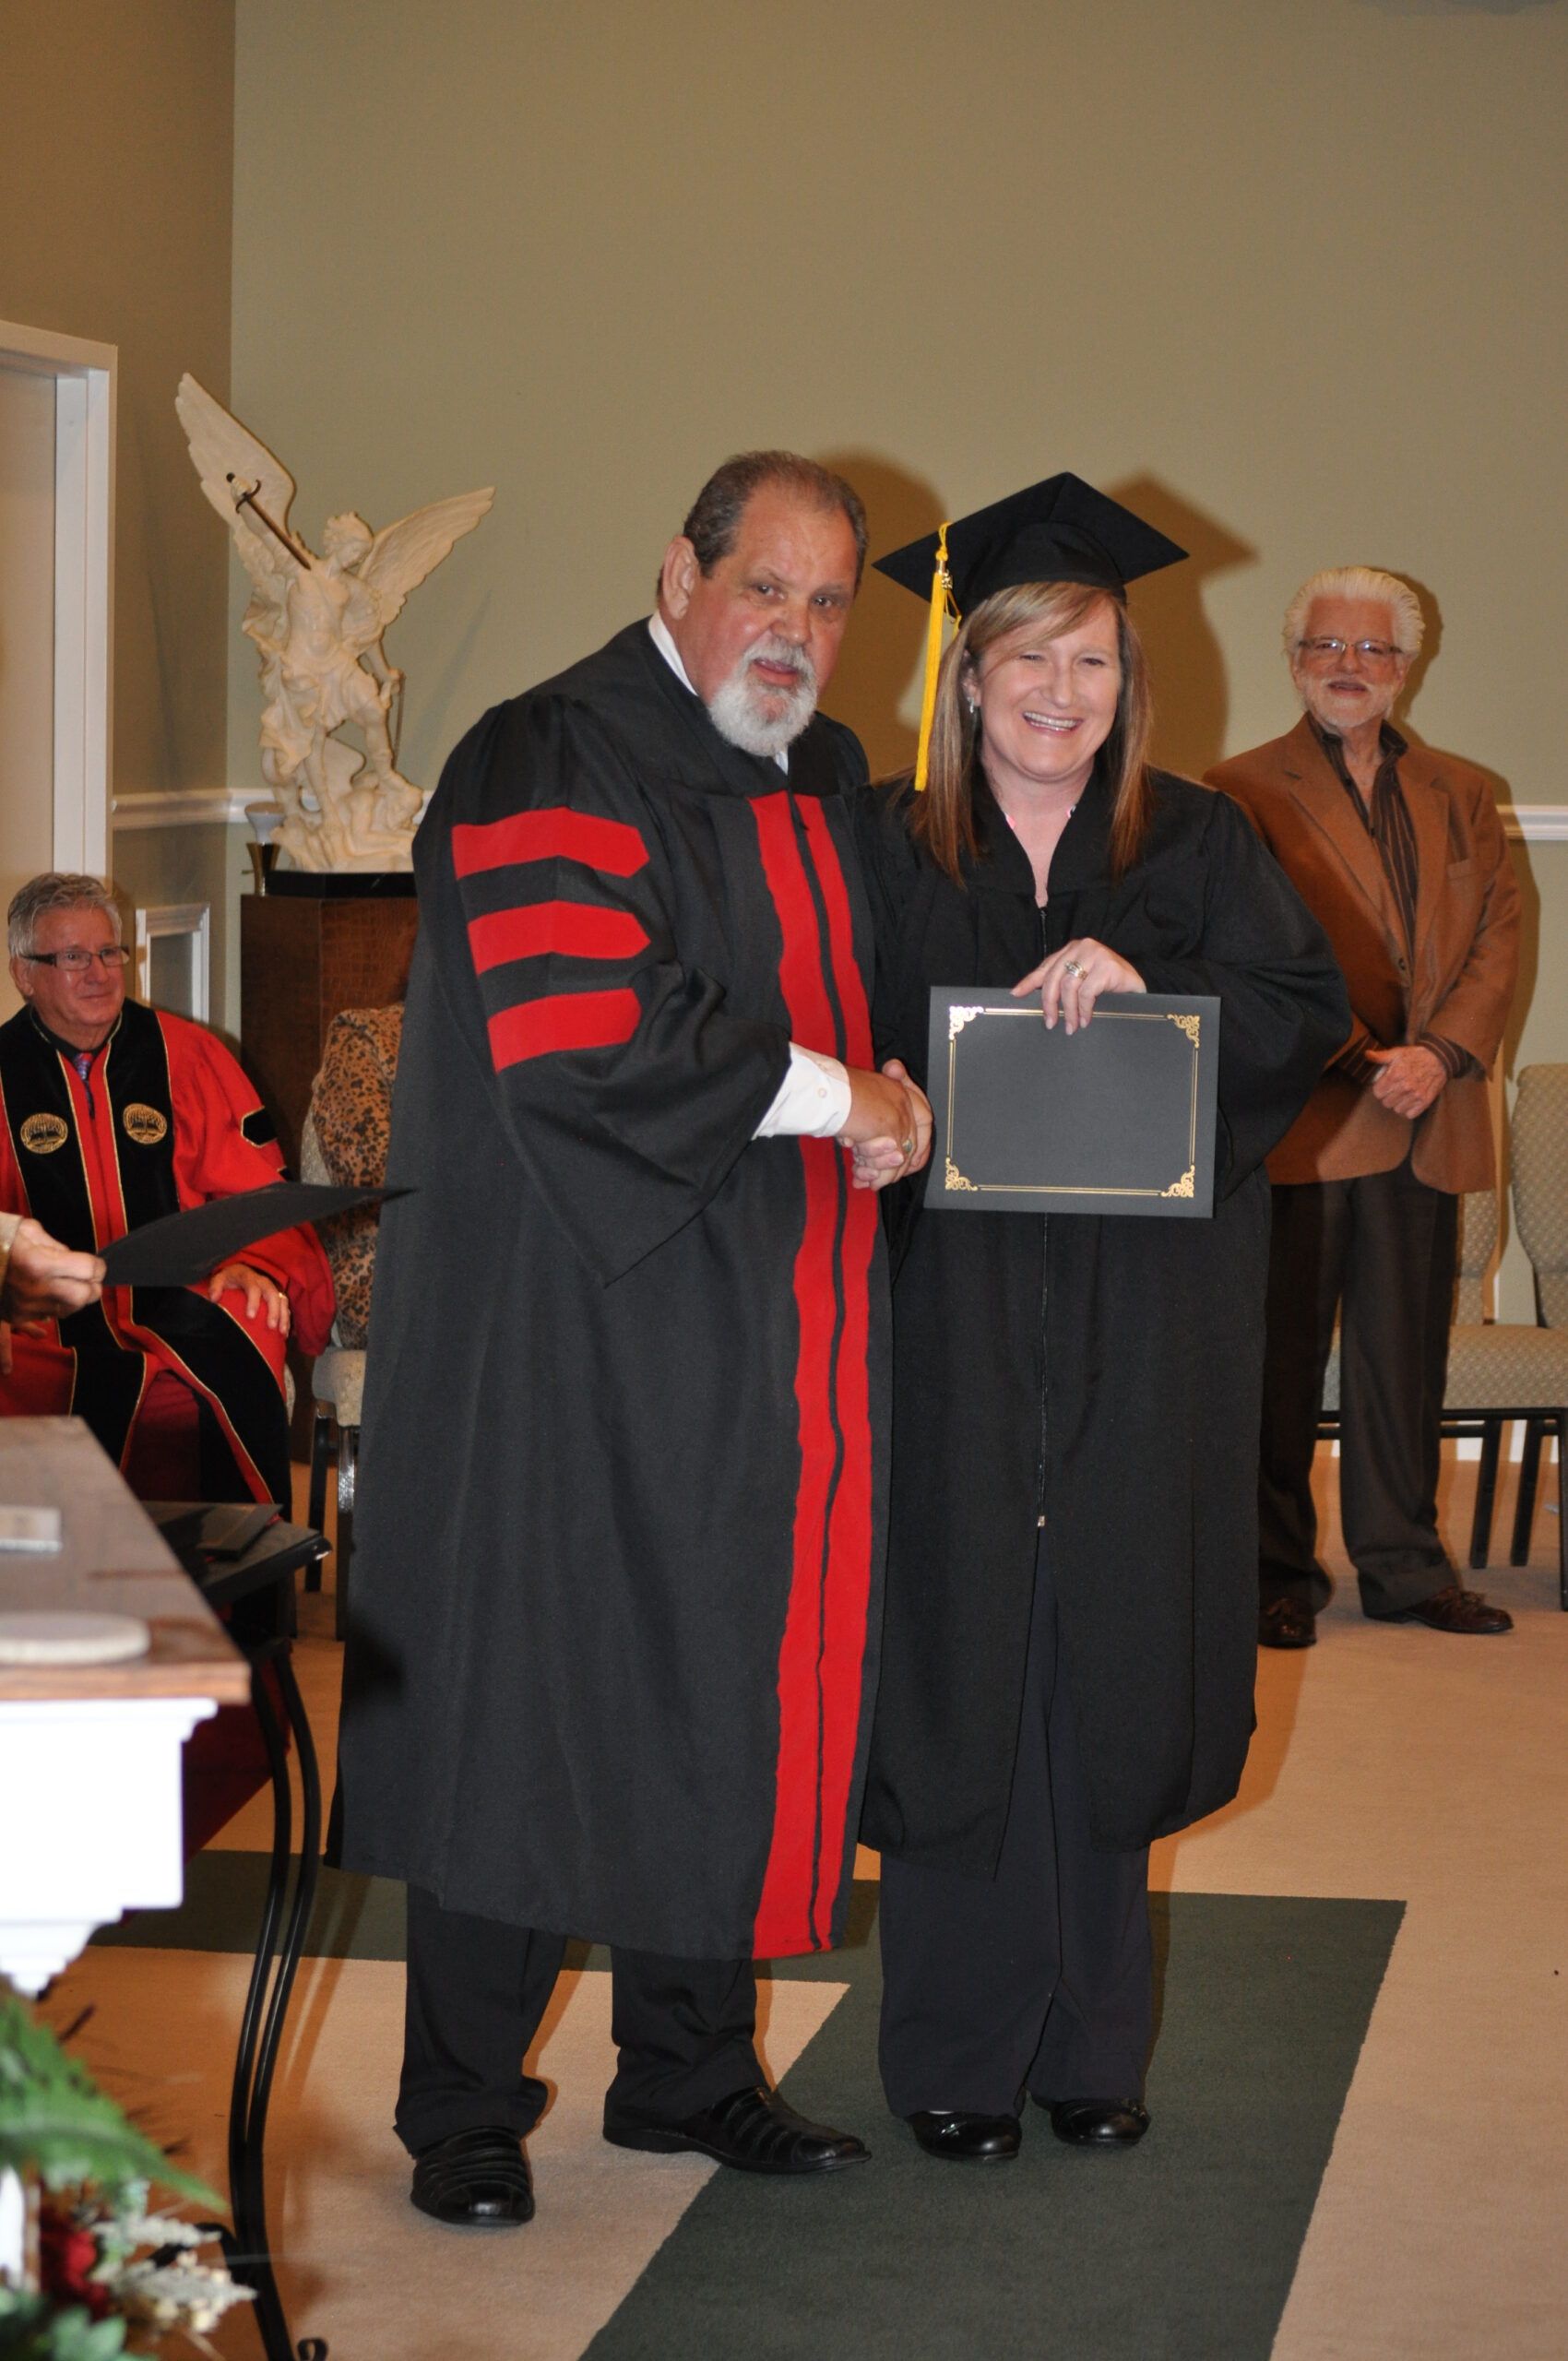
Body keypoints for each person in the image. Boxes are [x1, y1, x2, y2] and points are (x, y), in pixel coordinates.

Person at [333, 452, 932, 2229]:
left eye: (832, 604)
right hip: (557, 1320)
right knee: (523, 1684)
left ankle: (687, 2071)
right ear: (679, 572)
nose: (802, 634)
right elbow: (589, 1021)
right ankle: (461, 2106)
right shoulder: (544, 751)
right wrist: (846, 1099)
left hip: (759, 1318)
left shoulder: (820, 774)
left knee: (715, 1678)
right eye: (771, 588)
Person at [857, 475, 1348, 2164]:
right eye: (1026, 662)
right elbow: (811, 1039)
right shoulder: (885, 843)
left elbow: (1307, 1010)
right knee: (959, 1649)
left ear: (1128, 683)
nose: (1061, 695)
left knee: (1111, 1648)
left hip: (1148, 1326)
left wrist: (1165, 996)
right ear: (967, 679)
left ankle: (1092, 2054)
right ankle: (948, 2055)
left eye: (1091, 663)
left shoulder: (1197, 842)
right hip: (946, 1313)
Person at [1207, 570, 1521, 1647]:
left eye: (1372, 650)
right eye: (1325, 646)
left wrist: (1434, 1057)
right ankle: (1270, 1572)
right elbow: (1242, 951)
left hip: (1425, 1114)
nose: (1348, 666)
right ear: (1292, 662)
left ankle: (1403, 1566)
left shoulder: (1463, 792)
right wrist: (1353, 1057)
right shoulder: (1236, 789)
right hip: (1302, 1115)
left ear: (1406, 667)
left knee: (1404, 1359)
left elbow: (1497, 939)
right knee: (1277, 1361)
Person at [0, 874, 334, 1503]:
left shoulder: (187, 1056)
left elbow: (256, 1192)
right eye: (72, 957)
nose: (99, 973)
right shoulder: (0, 1073)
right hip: (45, 1315)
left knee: (249, 1318)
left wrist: (249, 1263)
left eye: (109, 953)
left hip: (182, 1296)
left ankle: (234, 1588)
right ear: (24, 972)